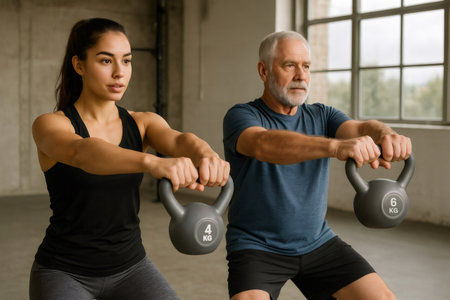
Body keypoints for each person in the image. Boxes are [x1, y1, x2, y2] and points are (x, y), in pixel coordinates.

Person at [29, 18, 229, 300]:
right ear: (79, 65)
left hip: (131, 267)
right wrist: (151, 162)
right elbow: (83, 152)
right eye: (106, 61)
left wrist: (207, 155)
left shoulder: (143, 122)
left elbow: (179, 140)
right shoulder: (50, 125)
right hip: (64, 272)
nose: (119, 73)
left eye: (127, 61)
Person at [223, 31, 411, 300]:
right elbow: (263, 144)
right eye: (290, 65)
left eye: (306, 66)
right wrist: (334, 146)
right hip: (256, 248)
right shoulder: (242, 115)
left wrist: (385, 133)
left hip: (318, 243)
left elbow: (359, 127)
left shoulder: (323, 115)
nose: (301, 75)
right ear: (263, 71)